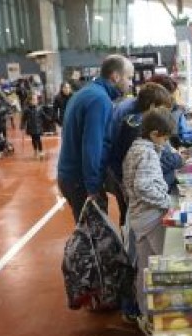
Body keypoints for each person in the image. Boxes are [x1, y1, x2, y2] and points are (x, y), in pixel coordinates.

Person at [57, 54, 134, 223]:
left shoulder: (85, 92)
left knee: (88, 231)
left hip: (70, 176)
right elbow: (92, 147)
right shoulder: (100, 100)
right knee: (95, 235)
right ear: (115, 76)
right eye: (129, 78)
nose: (131, 83)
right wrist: (93, 189)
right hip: (81, 181)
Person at [122, 106, 174, 333]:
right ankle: (160, 316)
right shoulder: (147, 153)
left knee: (145, 266)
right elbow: (143, 186)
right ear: (154, 134)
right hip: (151, 217)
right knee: (163, 265)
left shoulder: (136, 148)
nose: (166, 142)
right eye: (165, 137)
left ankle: (146, 313)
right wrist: (167, 202)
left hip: (138, 217)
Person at [108, 82, 173, 226]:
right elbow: (142, 184)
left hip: (124, 178)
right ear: (151, 107)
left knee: (129, 217)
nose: (164, 114)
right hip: (125, 181)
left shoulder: (134, 117)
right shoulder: (137, 127)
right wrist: (167, 201)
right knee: (128, 218)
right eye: (162, 109)